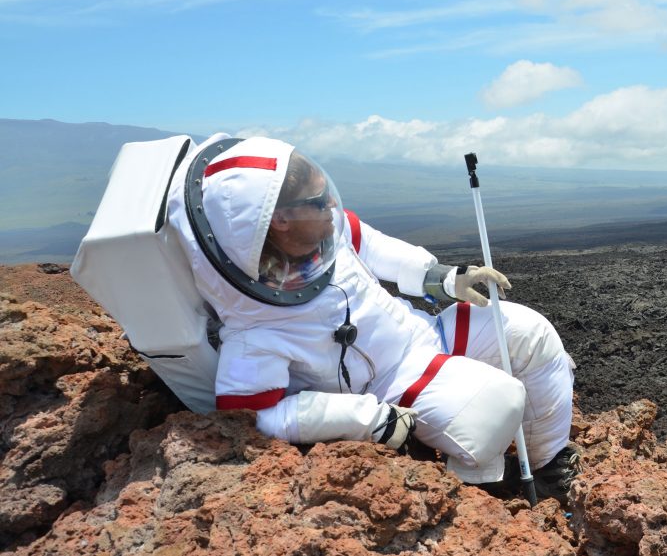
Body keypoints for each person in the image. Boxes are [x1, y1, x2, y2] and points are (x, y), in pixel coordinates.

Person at [166, 133, 579, 501]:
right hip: (394, 386)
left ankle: (547, 470)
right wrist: (365, 419)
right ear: (280, 220)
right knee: (492, 404)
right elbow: (255, 417)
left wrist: (446, 279)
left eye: (326, 193)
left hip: (423, 333)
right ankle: (486, 489)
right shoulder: (254, 329)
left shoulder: (327, 234)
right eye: (317, 202)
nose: (331, 206)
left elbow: (380, 251)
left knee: (530, 333)